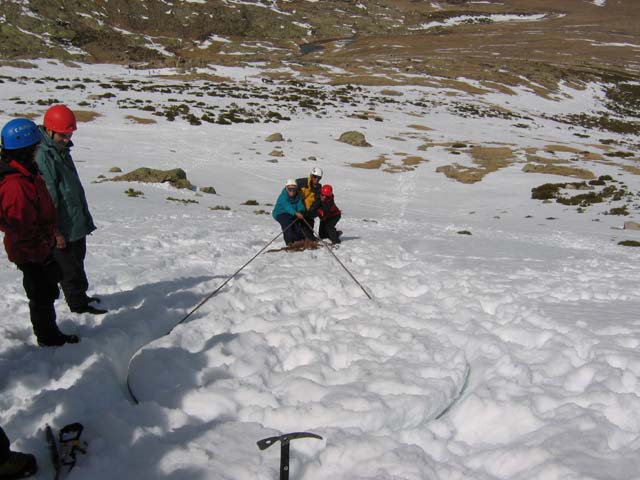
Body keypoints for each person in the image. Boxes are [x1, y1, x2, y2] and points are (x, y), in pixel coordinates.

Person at [0, 118, 79, 346]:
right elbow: (22, 228)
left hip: (40, 246)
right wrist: (41, 256)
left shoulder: (26, 172)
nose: (38, 150)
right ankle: (48, 338)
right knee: (41, 295)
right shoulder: (15, 184)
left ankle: (49, 331)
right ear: (25, 149)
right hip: (32, 251)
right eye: (35, 147)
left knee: (45, 292)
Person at [35, 105, 106, 315]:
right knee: (68, 267)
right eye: (63, 135)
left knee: (77, 259)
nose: (67, 139)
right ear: (49, 130)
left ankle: (81, 296)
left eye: (69, 134)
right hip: (61, 225)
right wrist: (55, 231)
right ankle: (77, 306)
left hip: (73, 219)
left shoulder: (60, 150)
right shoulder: (43, 156)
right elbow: (49, 197)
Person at [272, 179, 306, 248]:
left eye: (294, 189)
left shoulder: (298, 195)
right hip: (280, 213)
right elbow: (287, 206)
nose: (292, 191)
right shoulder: (283, 196)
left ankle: (299, 240)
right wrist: (295, 213)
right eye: (290, 189)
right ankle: (289, 242)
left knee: (297, 224)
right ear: (286, 188)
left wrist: (300, 210)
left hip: (292, 213)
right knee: (287, 223)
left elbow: (300, 204)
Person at [295, 167, 323, 239]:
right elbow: (291, 193)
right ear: (311, 175)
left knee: (309, 233)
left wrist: (311, 213)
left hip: (308, 212)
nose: (316, 179)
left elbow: (316, 203)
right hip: (297, 210)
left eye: (319, 178)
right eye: (315, 177)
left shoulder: (319, 188)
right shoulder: (301, 182)